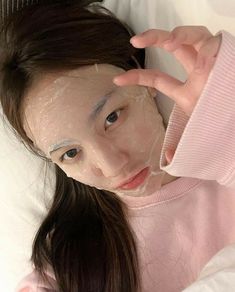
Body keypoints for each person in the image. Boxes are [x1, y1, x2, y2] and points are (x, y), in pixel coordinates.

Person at [0, 1, 235, 291]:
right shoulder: (64, 266)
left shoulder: (227, 168)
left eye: (112, 118)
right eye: (71, 154)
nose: (113, 166)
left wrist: (226, 103)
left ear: (143, 78)